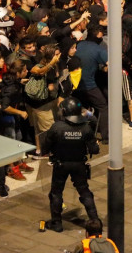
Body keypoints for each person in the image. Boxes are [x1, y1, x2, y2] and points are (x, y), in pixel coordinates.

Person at [42, 96, 99, 233]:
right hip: (79, 165)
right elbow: (94, 150)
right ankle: (95, 221)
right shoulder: (85, 128)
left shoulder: (57, 127)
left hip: (61, 164)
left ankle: (57, 223)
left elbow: (45, 148)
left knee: (56, 193)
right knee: (84, 192)